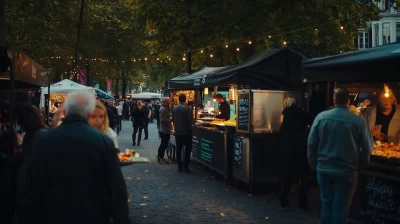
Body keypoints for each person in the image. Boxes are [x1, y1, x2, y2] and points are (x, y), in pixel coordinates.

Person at [16, 91, 130, 224]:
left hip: (50, 214)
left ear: (66, 110)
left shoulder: (42, 140)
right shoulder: (102, 141)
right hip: (92, 214)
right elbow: (116, 188)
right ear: (89, 112)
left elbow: (27, 181)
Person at [308, 88, 374, 224]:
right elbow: (367, 147)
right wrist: (361, 165)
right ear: (348, 101)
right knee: (341, 208)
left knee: (326, 204)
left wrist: (314, 164)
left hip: (324, 169)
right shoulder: (358, 121)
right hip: (347, 171)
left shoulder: (321, 117)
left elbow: (311, 144)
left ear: (334, 99)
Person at [279, 97, 313, 211]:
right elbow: (313, 121)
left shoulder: (287, 115)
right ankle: (302, 201)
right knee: (303, 175)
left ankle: (284, 199)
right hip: (301, 146)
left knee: (287, 175)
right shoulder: (303, 113)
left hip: (288, 148)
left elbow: (282, 131)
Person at [172, 94, 193, 173]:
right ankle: (186, 166)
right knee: (188, 149)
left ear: (179, 99)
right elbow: (190, 121)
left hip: (177, 131)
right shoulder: (188, 109)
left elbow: (173, 120)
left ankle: (179, 166)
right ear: (185, 99)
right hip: (186, 132)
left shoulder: (174, 108)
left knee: (179, 148)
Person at [158, 98, 172, 164]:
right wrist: (171, 119)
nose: (170, 102)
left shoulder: (164, 108)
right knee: (163, 144)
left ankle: (160, 157)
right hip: (164, 130)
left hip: (163, 129)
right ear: (166, 102)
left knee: (163, 144)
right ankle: (161, 157)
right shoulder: (164, 109)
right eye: (169, 101)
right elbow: (163, 120)